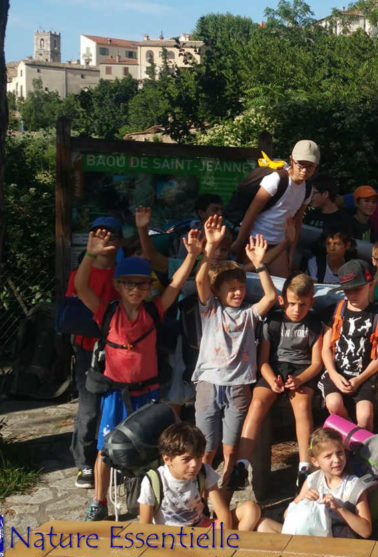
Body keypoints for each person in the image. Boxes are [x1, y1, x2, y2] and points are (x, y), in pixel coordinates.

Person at [76, 227, 201, 521]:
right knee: (105, 450)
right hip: (115, 394)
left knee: (156, 448)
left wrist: (193, 255)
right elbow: (81, 287)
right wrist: (91, 254)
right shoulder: (107, 312)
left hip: (149, 394)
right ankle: (99, 501)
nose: (136, 289)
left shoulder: (154, 311)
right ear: (118, 286)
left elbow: (176, 283)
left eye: (142, 284)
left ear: (149, 286)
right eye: (129, 284)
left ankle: (156, 500)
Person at [192, 215, 278, 488]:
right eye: (231, 289)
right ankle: (202, 497)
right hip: (209, 384)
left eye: (241, 288)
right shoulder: (211, 310)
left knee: (230, 449)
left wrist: (260, 265)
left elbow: (271, 297)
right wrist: (209, 248)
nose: (238, 293)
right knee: (206, 449)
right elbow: (199, 281)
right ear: (217, 292)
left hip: (239, 386)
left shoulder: (249, 315)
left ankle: (227, 489)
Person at [229, 273, 323, 492]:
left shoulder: (314, 324)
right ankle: (241, 465)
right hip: (274, 368)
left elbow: (316, 363)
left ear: (311, 303)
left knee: (302, 406)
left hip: (302, 371)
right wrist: (271, 379)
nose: (297, 309)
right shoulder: (272, 321)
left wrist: (300, 379)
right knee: (257, 403)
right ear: (282, 301)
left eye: (303, 304)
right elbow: (262, 360)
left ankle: (304, 467)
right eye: (292, 304)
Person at [65, 216, 122, 489]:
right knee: (88, 410)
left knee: (113, 407)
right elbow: (79, 292)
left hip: (118, 350)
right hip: (88, 350)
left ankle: (114, 458)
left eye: (111, 235)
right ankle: (84, 463)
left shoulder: (123, 274)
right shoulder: (81, 273)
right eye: (99, 235)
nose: (105, 239)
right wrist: (90, 254)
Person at [138, 423, 279, 532]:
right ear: (167, 459)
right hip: (173, 537)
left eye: (199, 457)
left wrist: (222, 540)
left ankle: (229, 549)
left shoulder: (204, 471)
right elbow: (145, 527)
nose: (194, 464)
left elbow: (222, 513)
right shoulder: (153, 481)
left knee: (251, 509)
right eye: (186, 459)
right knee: (263, 525)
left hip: (203, 528)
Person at [319, 259, 378, 431]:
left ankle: (362, 443)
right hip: (336, 371)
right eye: (347, 290)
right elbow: (326, 349)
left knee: (365, 416)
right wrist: (334, 374)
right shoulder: (336, 311)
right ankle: (351, 437)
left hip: (364, 376)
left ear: (370, 285)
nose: (352, 295)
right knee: (334, 404)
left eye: (357, 289)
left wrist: (359, 380)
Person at [231, 140, 320, 277]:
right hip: (255, 240)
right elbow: (252, 211)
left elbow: (297, 222)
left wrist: (291, 253)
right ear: (292, 160)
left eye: (310, 166)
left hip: (279, 245)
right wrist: (239, 242)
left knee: (282, 285)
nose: (304, 170)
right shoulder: (276, 180)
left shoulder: (307, 189)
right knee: (246, 280)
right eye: (301, 164)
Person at [291, 427, 372, 538]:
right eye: (328, 456)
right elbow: (287, 516)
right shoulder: (313, 480)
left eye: (339, 453)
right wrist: (303, 500)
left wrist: (339, 508)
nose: (336, 460)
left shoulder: (354, 486)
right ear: (315, 461)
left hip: (340, 542)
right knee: (266, 525)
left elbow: (366, 531)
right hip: (312, 537)